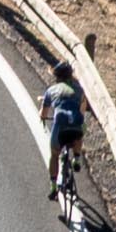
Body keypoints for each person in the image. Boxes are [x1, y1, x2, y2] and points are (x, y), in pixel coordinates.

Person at [39, 61, 88, 199]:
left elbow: (43, 113)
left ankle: (53, 186)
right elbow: (82, 111)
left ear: (57, 77)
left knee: (54, 155)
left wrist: (43, 116)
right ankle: (77, 159)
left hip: (60, 128)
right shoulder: (80, 90)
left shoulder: (51, 91)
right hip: (75, 127)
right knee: (80, 128)